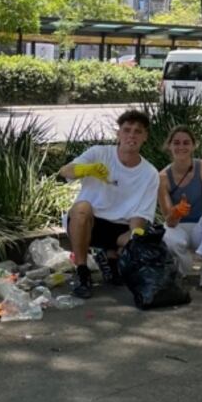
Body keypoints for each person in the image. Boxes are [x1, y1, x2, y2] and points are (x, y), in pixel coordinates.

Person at [57, 109, 160, 300]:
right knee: (82, 208)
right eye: (127, 130)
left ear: (145, 136)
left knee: (143, 242)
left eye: (138, 131)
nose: (131, 135)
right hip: (90, 222)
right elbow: (65, 171)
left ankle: (111, 258)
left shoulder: (150, 173)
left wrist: (135, 238)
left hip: (120, 228)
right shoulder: (99, 153)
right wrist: (86, 169)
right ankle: (82, 271)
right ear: (118, 133)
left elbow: (140, 215)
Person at [159, 126, 202, 279]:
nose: (181, 147)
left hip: (201, 227)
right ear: (169, 146)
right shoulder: (162, 177)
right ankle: (183, 268)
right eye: (176, 143)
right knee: (168, 236)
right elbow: (169, 221)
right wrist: (177, 211)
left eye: (186, 143)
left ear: (193, 146)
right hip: (179, 226)